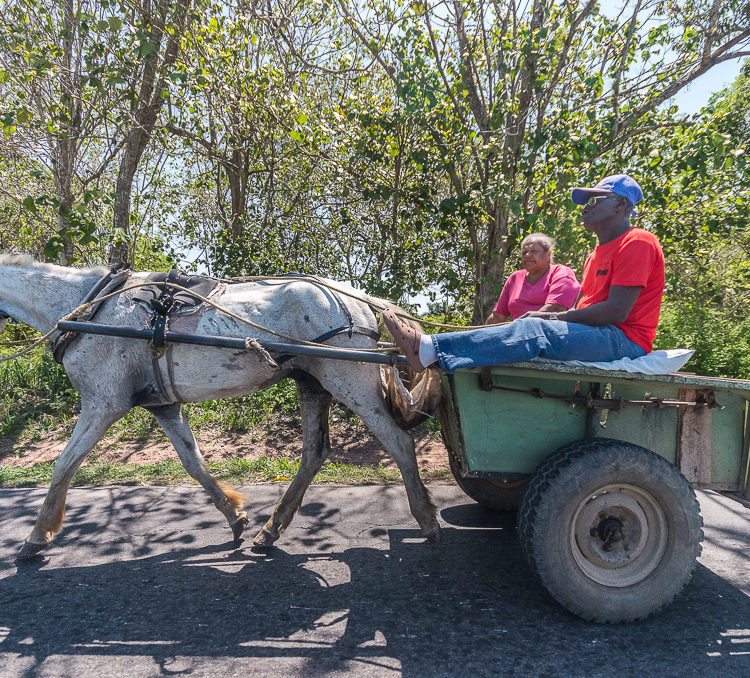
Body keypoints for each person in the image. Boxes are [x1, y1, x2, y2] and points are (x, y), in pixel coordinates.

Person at [383, 174, 664, 373]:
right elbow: (584, 309)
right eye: (586, 201)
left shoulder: (637, 241)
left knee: (533, 328)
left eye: (596, 199)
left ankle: (429, 349)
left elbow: (616, 312)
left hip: (623, 339)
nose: (586, 207)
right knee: (527, 325)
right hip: (598, 333)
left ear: (622, 205)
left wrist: (549, 316)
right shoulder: (595, 254)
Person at [485, 233, 580, 324]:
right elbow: (498, 316)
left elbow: (555, 308)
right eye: (524, 252)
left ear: (548, 254)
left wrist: (519, 326)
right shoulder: (515, 278)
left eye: (534, 251)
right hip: (517, 333)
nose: (527, 255)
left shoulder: (561, 273)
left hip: (549, 333)